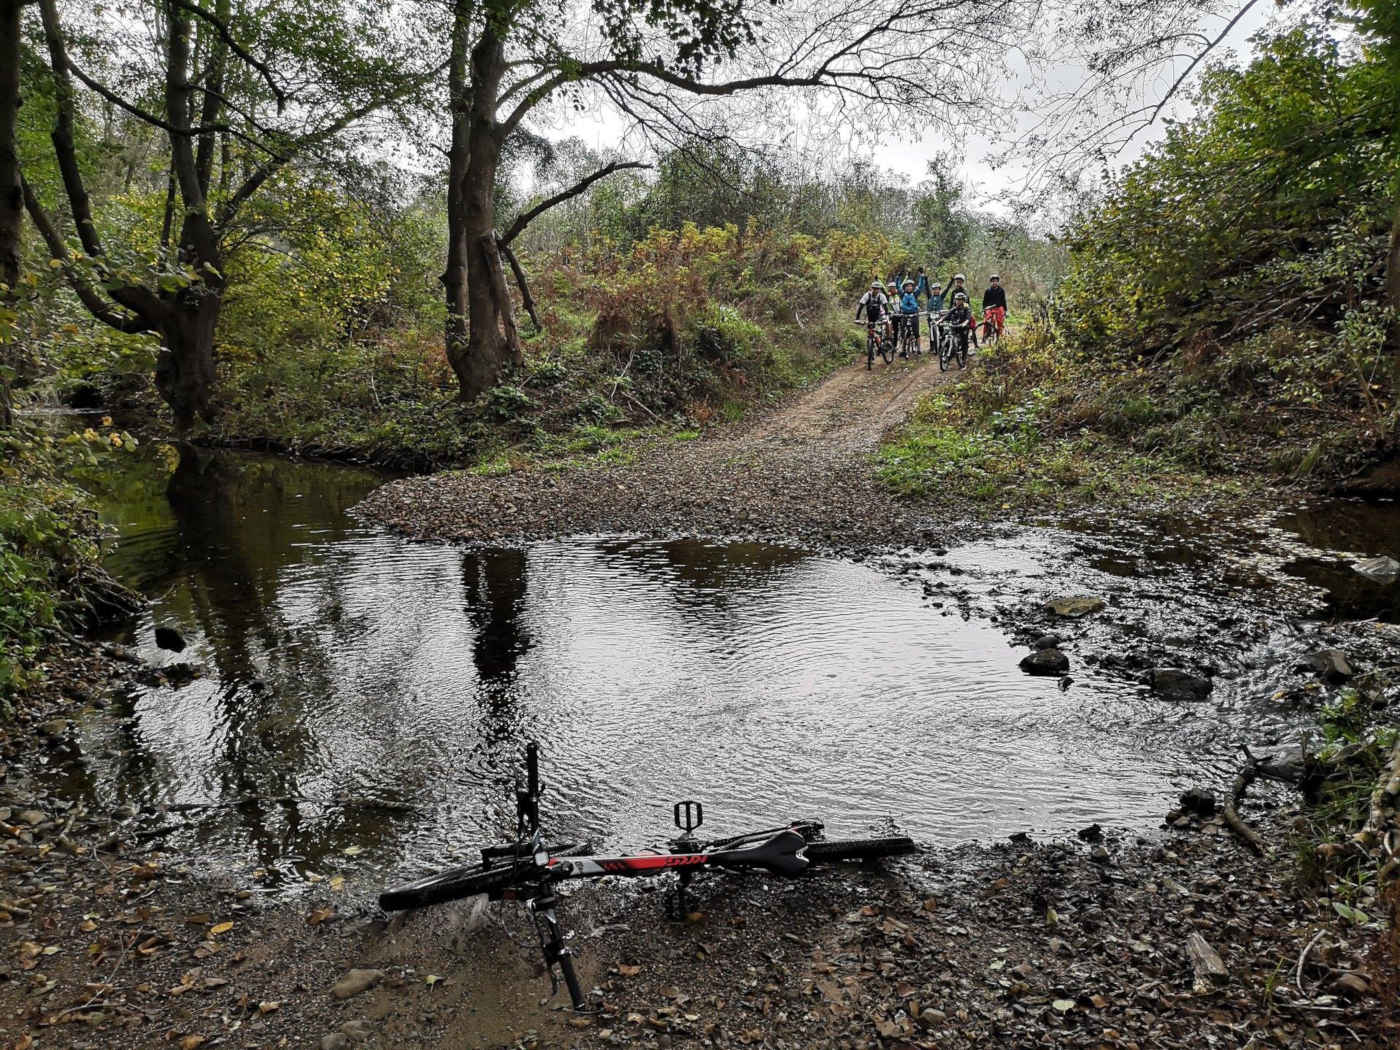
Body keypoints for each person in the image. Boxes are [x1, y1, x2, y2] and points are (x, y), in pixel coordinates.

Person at [898, 278, 921, 356]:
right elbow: (898, 287)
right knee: (904, 333)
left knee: (916, 332)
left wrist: (921, 276)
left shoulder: (915, 294)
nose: (909, 287)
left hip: (914, 315)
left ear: (913, 287)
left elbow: (920, 287)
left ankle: (918, 349)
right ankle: (903, 349)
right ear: (905, 288)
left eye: (910, 286)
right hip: (904, 315)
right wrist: (898, 278)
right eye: (907, 286)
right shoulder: (902, 294)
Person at [981, 273, 1007, 337]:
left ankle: (1000, 335)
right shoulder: (988, 291)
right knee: (986, 321)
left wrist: (1005, 310)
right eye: (993, 281)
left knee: (1000, 322)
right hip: (989, 308)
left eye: (996, 281)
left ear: (997, 282)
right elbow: (985, 301)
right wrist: (983, 309)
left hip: (999, 307)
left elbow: (1003, 301)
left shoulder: (1001, 290)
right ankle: (985, 335)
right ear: (991, 282)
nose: (994, 282)